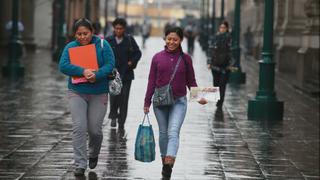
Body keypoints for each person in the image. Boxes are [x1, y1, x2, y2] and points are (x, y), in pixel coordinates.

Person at [143, 26, 207, 179]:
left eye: (175, 39)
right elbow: (151, 81)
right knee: (163, 133)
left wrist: (200, 97)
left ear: (181, 41)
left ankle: (168, 164)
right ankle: (165, 160)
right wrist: (147, 102)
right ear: (165, 39)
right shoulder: (157, 58)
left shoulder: (186, 59)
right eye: (169, 39)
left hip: (179, 101)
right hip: (160, 102)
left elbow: (191, 81)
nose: (172, 42)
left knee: (173, 132)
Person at [59, 18, 115, 176]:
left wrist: (96, 75)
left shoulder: (103, 45)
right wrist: (82, 71)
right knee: (79, 127)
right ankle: (80, 163)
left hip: (99, 92)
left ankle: (93, 153)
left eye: (85, 33)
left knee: (95, 130)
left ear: (92, 32)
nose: (82, 37)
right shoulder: (70, 47)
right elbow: (63, 65)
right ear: (74, 34)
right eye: (79, 34)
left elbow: (110, 64)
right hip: (77, 91)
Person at [106, 18, 142, 131]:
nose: (118, 30)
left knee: (124, 98)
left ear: (124, 29)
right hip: (113, 74)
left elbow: (138, 53)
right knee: (113, 96)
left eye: (120, 28)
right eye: (116, 28)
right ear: (114, 28)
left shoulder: (129, 40)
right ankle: (113, 116)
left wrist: (132, 62)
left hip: (126, 74)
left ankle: (121, 122)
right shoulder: (109, 40)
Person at [207, 21, 232, 108]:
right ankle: (218, 98)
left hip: (225, 66)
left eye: (224, 28)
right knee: (216, 84)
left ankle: (220, 102)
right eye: (221, 27)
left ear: (227, 29)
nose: (222, 29)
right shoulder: (215, 37)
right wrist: (209, 62)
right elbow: (210, 50)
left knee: (222, 84)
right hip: (215, 65)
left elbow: (232, 52)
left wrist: (231, 64)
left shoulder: (230, 38)